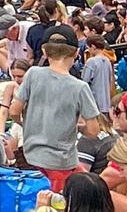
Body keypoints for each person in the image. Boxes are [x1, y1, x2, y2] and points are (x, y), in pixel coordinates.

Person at [6, 24, 104, 178]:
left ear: (44, 52)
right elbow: (93, 131)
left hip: (30, 155)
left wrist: (25, 124)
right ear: (77, 52)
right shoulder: (80, 87)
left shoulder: (33, 74)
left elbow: (14, 111)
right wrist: (77, 128)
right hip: (61, 161)